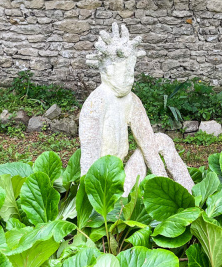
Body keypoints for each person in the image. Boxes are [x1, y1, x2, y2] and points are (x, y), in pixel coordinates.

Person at [79, 22, 194, 194]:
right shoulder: (95, 104)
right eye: (122, 70)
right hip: (103, 188)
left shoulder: (131, 100)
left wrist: (162, 183)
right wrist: (90, 201)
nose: (129, 77)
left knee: (161, 140)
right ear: (106, 71)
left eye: (131, 71)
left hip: (122, 179)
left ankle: (188, 193)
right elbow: (89, 159)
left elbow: (148, 143)